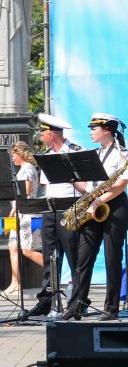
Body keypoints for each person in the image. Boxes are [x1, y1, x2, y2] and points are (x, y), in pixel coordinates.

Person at [64, 114, 128, 321]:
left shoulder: (123, 154)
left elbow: (121, 184)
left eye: (94, 128)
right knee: (83, 259)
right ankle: (76, 305)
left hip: (114, 206)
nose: (91, 132)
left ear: (107, 129)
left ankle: (111, 308)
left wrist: (99, 201)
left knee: (112, 259)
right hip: (93, 206)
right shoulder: (95, 154)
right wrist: (73, 180)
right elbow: (89, 188)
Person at [20, 113, 82, 319]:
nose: (40, 136)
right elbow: (47, 187)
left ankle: (78, 301)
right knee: (49, 258)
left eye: (43, 133)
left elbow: (85, 184)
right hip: (50, 210)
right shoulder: (46, 155)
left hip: (69, 209)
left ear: (52, 134)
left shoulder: (74, 152)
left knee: (74, 257)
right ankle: (47, 301)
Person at [3, 141, 43, 298]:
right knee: (12, 246)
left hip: (26, 214)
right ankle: (15, 283)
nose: (12, 158)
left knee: (27, 250)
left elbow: (25, 193)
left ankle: (53, 270)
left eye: (13, 155)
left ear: (20, 154)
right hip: (20, 213)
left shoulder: (27, 169)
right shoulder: (24, 169)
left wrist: (12, 211)